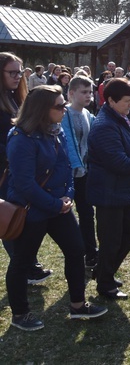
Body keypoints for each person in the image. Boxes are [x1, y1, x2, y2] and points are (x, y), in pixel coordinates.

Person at [6, 85, 107, 330]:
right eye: (59, 106)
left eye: (64, 104)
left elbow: (66, 167)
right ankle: (20, 314)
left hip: (58, 207)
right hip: (32, 210)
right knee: (22, 261)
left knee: (76, 250)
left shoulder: (56, 130)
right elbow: (24, 183)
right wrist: (55, 203)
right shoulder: (21, 138)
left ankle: (77, 305)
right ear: (42, 109)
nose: (64, 109)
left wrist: (68, 195)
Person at [87, 78, 130, 300]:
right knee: (111, 239)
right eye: (127, 101)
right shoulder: (105, 125)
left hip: (122, 188)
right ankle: (105, 284)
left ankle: (105, 270)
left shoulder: (123, 117)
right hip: (109, 191)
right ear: (111, 100)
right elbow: (119, 162)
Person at [0, 53, 51, 285]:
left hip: (15, 170)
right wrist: (13, 152)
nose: (18, 76)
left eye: (20, 72)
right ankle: (24, 267)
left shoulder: (16, 98)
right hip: (3, 170)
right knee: (8, 218)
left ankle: (28, 263)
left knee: (21, 215)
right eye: (13, 72)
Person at [61, 76, 98, 271]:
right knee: (61, 215)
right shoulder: (63, 113)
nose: (88, 96)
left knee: (86, 213)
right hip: (67, 173)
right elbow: (67, 143)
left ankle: (90, 253)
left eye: (90, 92)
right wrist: (77, 167)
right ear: (72, 93)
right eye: (84, 92)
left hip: (84, 173)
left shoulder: (88, 114)